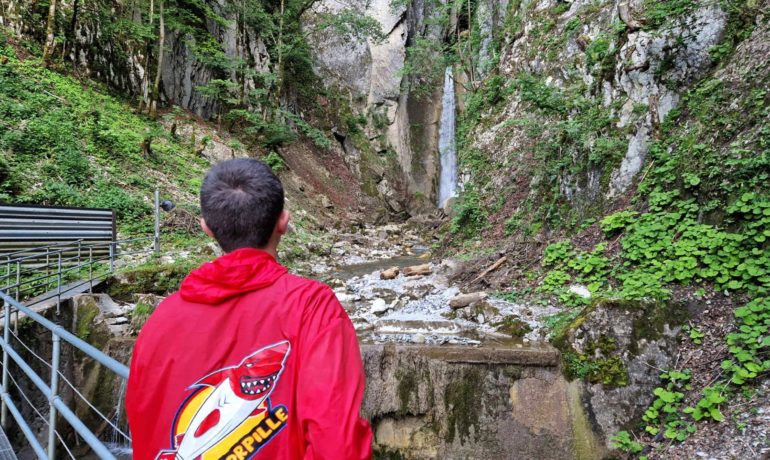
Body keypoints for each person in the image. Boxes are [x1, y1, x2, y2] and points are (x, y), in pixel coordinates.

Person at [126, 158, 372, 460]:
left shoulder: (162, 317)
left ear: (207, 228)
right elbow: (338, 444)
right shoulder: (312, 308)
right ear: (284, 221)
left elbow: (143, 419)